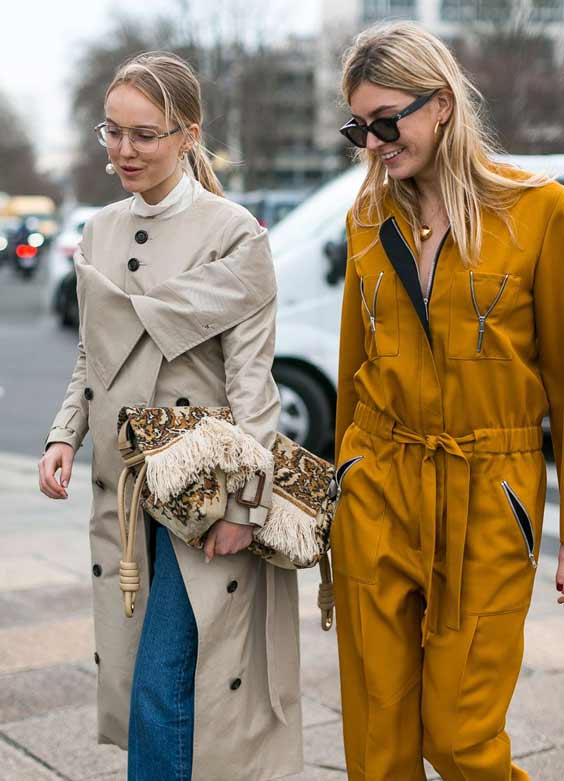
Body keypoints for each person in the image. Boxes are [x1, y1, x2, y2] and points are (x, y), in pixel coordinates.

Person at [38, 51, 302, 781]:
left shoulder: (234, 234)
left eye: (145, 135)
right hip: (125, 494)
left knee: (166, 688)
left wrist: (244, 509)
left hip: (204, 495)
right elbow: (95, 357)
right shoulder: (98, 231)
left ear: (189, 134)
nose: (124, 151)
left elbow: (255, 388)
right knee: (148, 684)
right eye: (112, 132)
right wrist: (66, 434)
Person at [331, 21, 564, 781]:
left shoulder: (539, 211)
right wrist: (344, 485)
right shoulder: (367, 220)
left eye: (386, 122)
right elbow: (352, 369)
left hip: (491, 490)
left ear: (441, 106)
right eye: (359, 127)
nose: (373, 143)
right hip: (378, 486)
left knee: (462, 740)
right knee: (378, 743)